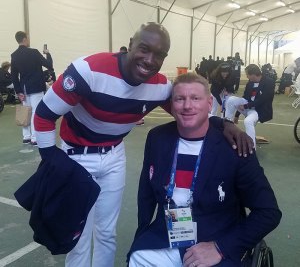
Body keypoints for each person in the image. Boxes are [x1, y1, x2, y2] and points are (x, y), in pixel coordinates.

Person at [34, 22, 253, 267]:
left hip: (114, 155)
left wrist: (226, 124)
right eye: (144, 49)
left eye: (159, 55)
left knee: (106, 231)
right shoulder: (88, 70)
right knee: (79, 234)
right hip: (76, 157)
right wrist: (51, 158)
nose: (149, 60)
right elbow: (43, 114)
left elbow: (191, 113)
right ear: (130, 44)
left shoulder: (159, 86)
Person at [128, 73, 281, 267]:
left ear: (209, 104)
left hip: (217, 239)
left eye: (195, 98)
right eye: (180, 98)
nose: (187, 105)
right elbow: (146, 194)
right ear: (172, 104)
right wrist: (142, 234)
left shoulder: (235, 146)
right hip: (167, 233)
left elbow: (268, 212)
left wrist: (221, 248)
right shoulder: (157, 138)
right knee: (138, 258)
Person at [11, 31, 53, 145]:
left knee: (26, 111)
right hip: (36, 87)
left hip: (23, 88)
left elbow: (14, 76)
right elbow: (49, 65)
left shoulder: (14, 55)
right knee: (35, 111)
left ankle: (26, 137)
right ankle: (35, 138)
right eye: (28, 38)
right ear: (24, 39)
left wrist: (18, 91)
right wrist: (47, 54)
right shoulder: (34, 52)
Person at [225, 64, 275, 149]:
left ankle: (251, 148)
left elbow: (263, 99)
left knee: (248, 121)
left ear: (253, 74)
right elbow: (245, 98)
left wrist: (246, 105)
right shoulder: (250, 83)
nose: (247, 77)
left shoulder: (269, 82)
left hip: (259, 110)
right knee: (231, 99)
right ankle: (227, 124)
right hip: (248, 106)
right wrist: (237, 115)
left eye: (247, 74)